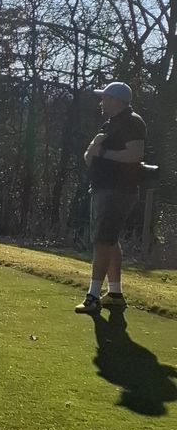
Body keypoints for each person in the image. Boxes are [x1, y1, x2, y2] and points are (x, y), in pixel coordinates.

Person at [75, 81, 147, 314]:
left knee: (102, 241)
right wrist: (93, 150)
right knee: (110, 239)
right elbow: (90, 157)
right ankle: (114, 294)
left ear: (116, 100)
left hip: (118, 190)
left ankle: (93, 296)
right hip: (103, 188)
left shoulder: (133, 122)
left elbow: (135, 154)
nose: (101, 102)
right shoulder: (110, 124)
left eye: (105, 98)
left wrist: (103, 152)